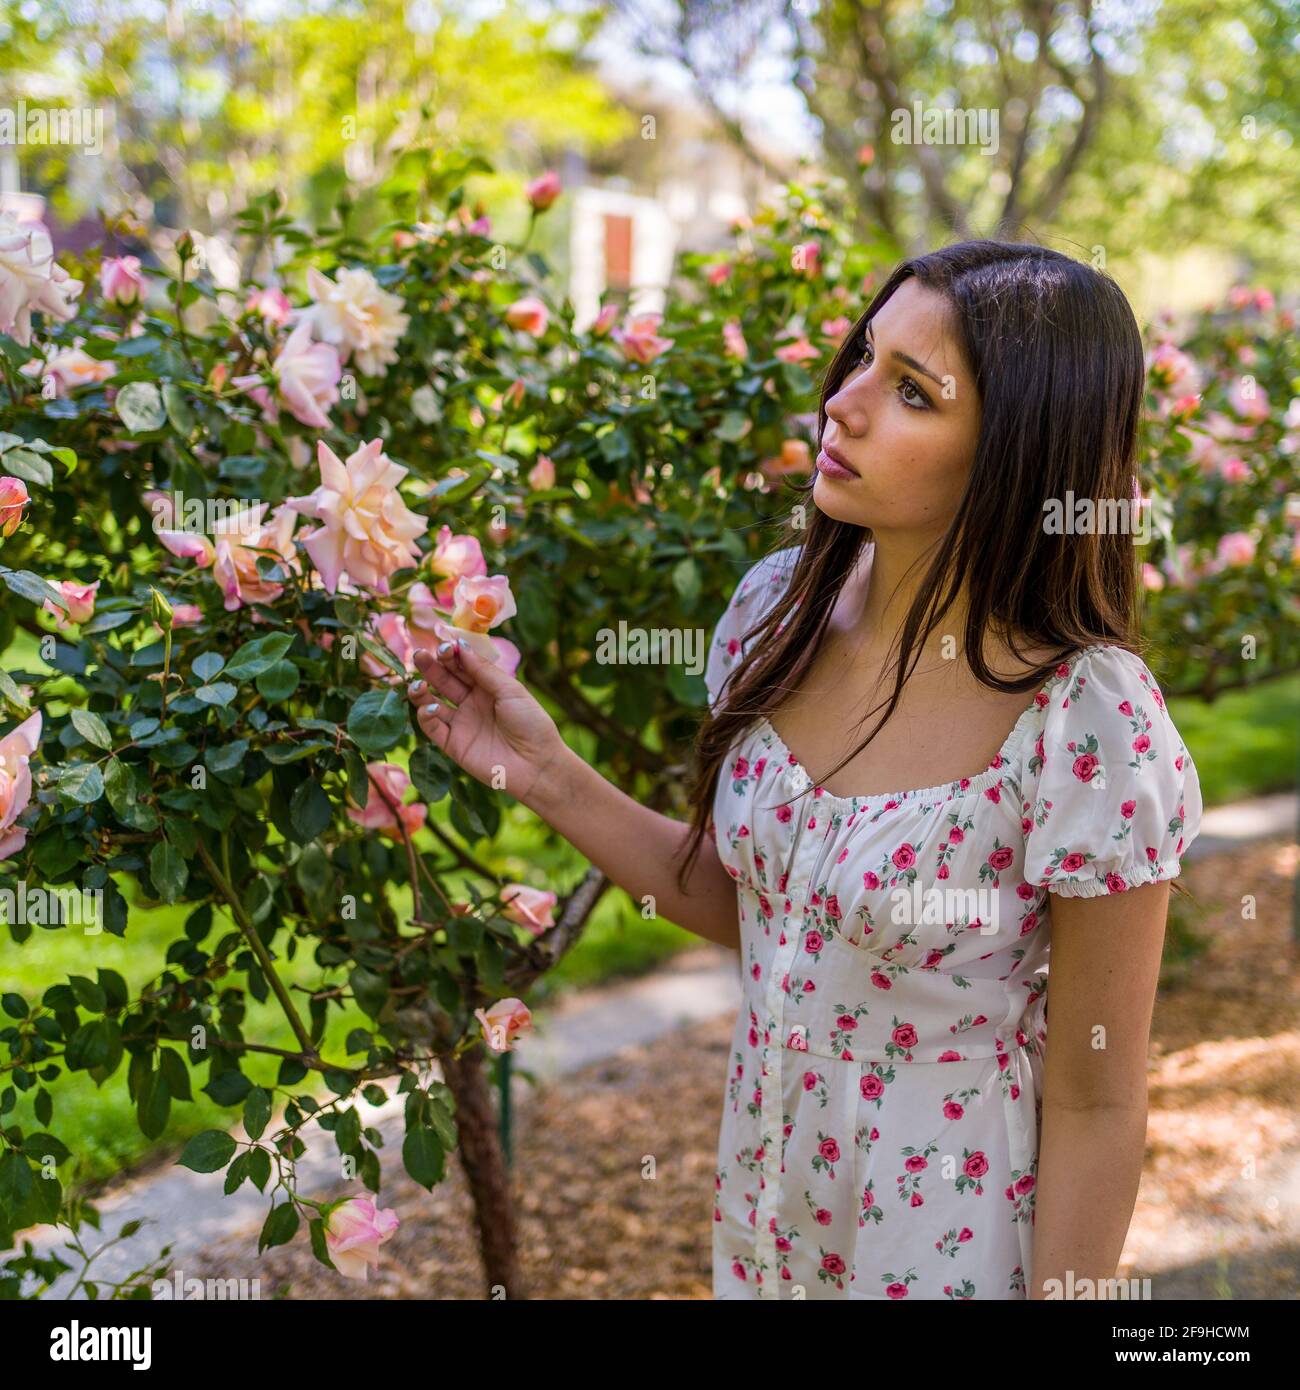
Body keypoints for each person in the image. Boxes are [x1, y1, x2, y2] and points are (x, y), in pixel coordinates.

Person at [406, 240, 1203, 1300]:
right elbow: (769, 914)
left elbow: (1101, 1097)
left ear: (1015, 451)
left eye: (913, 392)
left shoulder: (1085, 718)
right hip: (768, 1223)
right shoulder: (774, 613)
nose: (844, 402)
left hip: (948, 1246)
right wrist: (543, 771)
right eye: (865, 357)